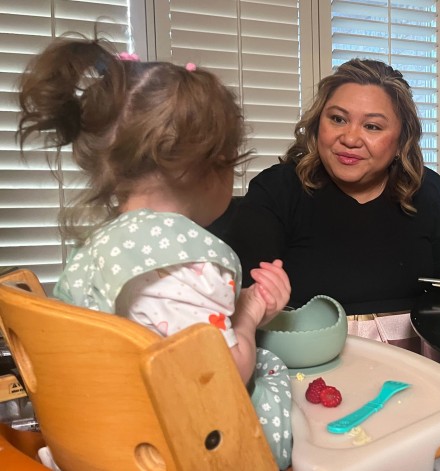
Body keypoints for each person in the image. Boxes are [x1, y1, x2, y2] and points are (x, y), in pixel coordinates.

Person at [17, 36, 293, 469]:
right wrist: (251, 314)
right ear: (207, 166)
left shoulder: (99, 247)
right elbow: (223, 376)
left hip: (99, 438)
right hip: (168, 449)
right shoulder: (189, 261)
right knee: (272, 376)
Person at [212, 58, 440, 348]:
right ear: (317, 125)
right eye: (337, 119)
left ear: (400, 142)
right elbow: (239, 302)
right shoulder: (278, 189)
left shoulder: (427, 191)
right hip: (309, 364)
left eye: (373, 127)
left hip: (417, 363)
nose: (349, 138)